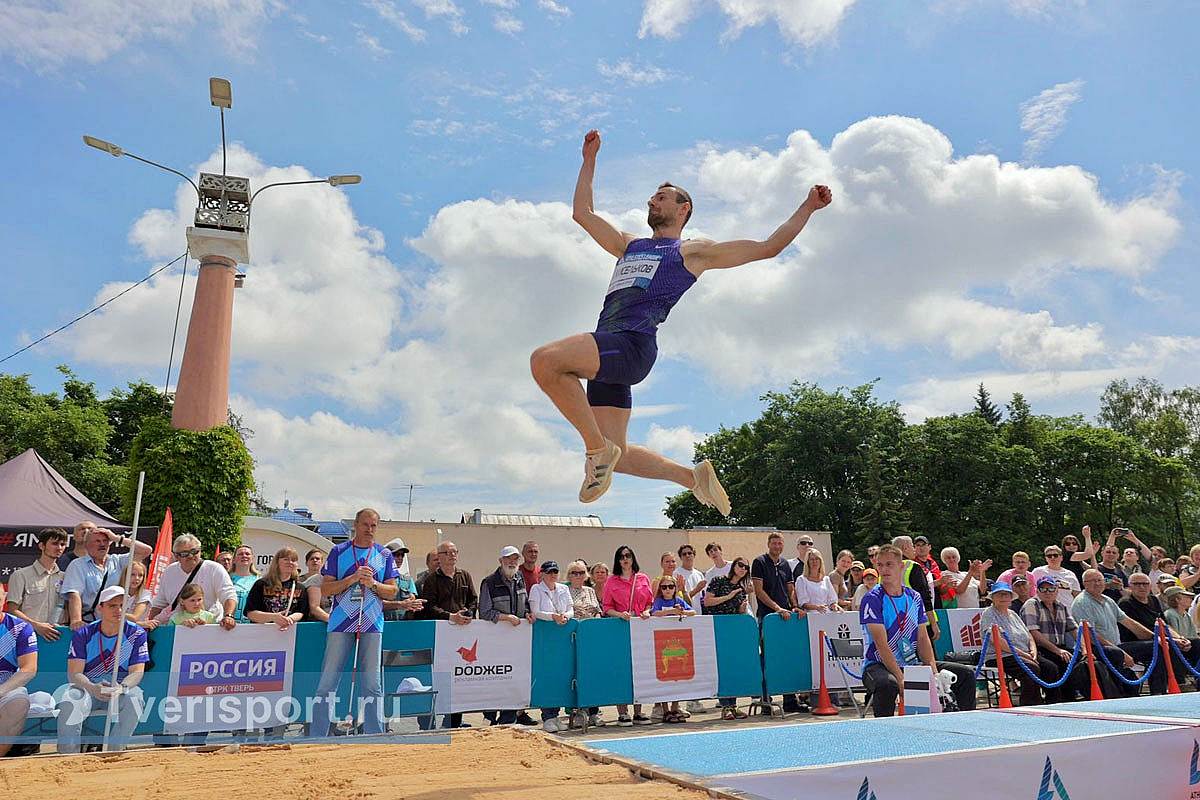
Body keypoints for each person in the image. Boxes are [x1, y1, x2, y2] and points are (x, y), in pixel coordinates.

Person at [530, 129, 832, 511]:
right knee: (619, 455)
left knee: (546, 361)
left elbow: (768, 247)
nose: (652, 202)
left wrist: (807, 207)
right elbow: (583, 214)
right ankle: (693, 478)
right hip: (610, 352)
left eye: (661, 198)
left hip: (631, 344)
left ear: (684, 208)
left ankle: (595, 450)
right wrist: (588, 160)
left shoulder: (692, 252)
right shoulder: (629, 245)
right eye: (652, 198)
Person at [311, 509, 403, 738]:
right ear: (356, 524)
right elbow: (326, 589)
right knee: (327, 682)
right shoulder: (338, 551)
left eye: (373, 526)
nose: (369, 530)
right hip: (341, 623)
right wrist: (352, 578)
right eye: (365, 525)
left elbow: (393, 591)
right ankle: (318, 734)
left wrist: (372, 584)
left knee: (372, 684)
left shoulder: (383, 554)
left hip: (372, 623)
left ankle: (374, 734)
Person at [858, 545, 975, 717]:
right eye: (880, 565)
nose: (884, 569)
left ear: (901, 566)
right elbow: (881, 645)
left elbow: (923, 639)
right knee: (887, 685)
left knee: (965, 674)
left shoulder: (914, 597)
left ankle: (966, 725)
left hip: (910, 663)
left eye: (889, 564)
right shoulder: (872, 599)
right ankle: (883, 733)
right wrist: (900, 678)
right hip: (878, 664)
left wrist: (934, 673)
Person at [58, 585, 148, 753]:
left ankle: (115, 751)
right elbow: (74, 674)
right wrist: (92, 687)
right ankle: (68, 757)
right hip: (88, 689)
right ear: (100, 608)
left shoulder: (137, 633)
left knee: (135, 698)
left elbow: (137, 672)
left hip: (118, 690)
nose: (119, 610)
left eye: (122, 605)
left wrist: (121, 688)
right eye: (112, 606)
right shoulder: (84, 633)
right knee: (70, 699)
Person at [1073, 569, 1172, 695]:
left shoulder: (1108, 601)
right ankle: (1117, 694)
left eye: (1099, 580)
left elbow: (1130, 623)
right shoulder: (1082, 602)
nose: (1097, 583)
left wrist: (1156, 637)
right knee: (1115, 653)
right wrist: (1122, 652)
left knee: (1158, 646)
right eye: (1093, 581)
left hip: (1116, 646)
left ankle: (1158, 692)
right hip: (1095, 648)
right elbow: (1090, 636)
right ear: (1084, 583)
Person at [478, 545, 536, 728]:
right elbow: (485, 612)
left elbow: (525, 603)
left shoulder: (519, 580)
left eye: (515, 559)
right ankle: (489, 716)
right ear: (500, 561)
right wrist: (506, 618)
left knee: (513, 678)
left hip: (516, 641)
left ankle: (508, 717)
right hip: (495, 640)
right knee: (494, 677)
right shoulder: (489, 582)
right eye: (508, 558)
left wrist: (527, 613)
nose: (512, 562)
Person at [752, 532, 807, 713]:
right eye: (774, 543)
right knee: (768, 659)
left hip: (786, 618)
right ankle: (766, 700)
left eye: (780, 543)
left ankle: (789, 700)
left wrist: (794, 606)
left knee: (787, 659)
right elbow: (759, 591)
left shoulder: (785, 564)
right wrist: (777, 608)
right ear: (769, 544)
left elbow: (790, 589)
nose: (777, 546)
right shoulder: (759, 562)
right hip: (767, 618)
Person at [981, 582, 1060, 705]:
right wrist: (1024, 655)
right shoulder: (989, 613)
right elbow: (997, 640)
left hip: (1024, 653)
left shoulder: (1013, 614)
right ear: (993, 597)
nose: (1003, 598)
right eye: (999, 595)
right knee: (1031, 669)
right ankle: (1031, 704)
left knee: (1051, 668)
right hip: (1002, 655)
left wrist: (1033, 651)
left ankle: (1053, 702)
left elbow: (1028, 635)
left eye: (1006, 595)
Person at [61, 526, 152, 630]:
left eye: (105, 540)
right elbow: (74, 594)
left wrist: (116, 538)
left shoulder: (117, 561)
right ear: (86, 545)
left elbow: (146, 551)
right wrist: (76, 620)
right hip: (89, 623)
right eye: (97, 541)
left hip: (114, 624)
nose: (102, 544)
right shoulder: (78, 565)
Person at [143, 534, 237, 631]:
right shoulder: (169, 571)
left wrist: (229, 616)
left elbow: (229, 595)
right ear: (176, 556)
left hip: (210, 629)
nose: (191, 556)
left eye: (194, 551)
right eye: (185, 554)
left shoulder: (214, 569)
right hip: (178, 631)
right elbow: (159, 603)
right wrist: (150, 627)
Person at [602, 545, 653, 726]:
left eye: (628, 555)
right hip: (620, 627)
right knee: (621, 668)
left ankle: (639, 710)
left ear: (633, 558)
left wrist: (647, 611)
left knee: (640, 668)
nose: (625, 559)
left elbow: (650, 602)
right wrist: (620, 615)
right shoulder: (611, 582)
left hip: (640, 627)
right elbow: (606, 607)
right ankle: (622, 712)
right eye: (621, 556)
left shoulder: (643, 578)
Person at [1020, 577, 1090, 701]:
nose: (1048, 592)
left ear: (1057, 590)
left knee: (1082, 662)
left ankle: (1076, 697)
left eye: (1051, 588)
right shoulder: (1031, 605)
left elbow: (1074, 630)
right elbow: (1033, 633)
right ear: (1037, 590)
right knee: (1051, 667)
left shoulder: (1061, 607)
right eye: (1043, 589)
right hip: (1039, 649)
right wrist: (1057, 651)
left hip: (1060, 647)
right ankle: (1054, 701)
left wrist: (1085, 650)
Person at [1118, 573, 1199, 672]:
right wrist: (1171, 640)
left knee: (1195, 643)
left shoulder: (1153, 600)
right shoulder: (1126, 603)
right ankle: (1174, 682)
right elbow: (1140, 633)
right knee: (1163, 646)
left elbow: (1164, 624)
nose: (1142, 587)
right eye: (1137, 584)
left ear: (1150, 586)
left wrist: (1180, 638)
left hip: (1161, 638)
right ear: (1130, 586)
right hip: (1138, 641)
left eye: (1145, 584)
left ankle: (1196, 677)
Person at [529, 561, 575, 731]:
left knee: (561, 674)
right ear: (542, 574)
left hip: (562, 635)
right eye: (549, 572)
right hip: (544, 636)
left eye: (555, 571)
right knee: (546, 674)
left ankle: (557, 714)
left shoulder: (563, 589)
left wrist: (565, 617)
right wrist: (553, 617)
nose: (552, 575)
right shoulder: (536, 589)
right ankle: (548, 716)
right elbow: (536, 612)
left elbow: (571, 609)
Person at [704, 557, 752, 719]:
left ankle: (733, 705)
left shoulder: (741, 588)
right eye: (740, 565)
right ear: (734, 566)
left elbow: (739, 611)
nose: (743, 568)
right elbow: (708, 602)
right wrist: (728, 596)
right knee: (722, 668)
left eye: (746, 567)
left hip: (734, 629)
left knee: (733, 667)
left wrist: (743, 606)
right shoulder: (718, 580)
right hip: (718, 627)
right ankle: (725, 706)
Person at [6, 527, 68, 640]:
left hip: (58, 635)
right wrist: (36, 626)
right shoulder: (20, 575)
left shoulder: (66, 577)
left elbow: (68, 608)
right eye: (54, 543)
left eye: (62, 544)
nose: (59, 548)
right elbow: (12, 610)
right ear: (41, 546)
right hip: (27, 635)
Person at [565, 560, 604, 728]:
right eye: (574, 572)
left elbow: (597, 611)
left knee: (592, 673)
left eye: (581, 572)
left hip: (590, 637)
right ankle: (577, 712)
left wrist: (594, 618)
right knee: (574, 674)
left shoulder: (590, 591)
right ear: (569, 576)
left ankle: (594, 712)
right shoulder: (564, 591)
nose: (578, 576)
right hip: (571, 638)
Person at [0, 584, 36, 757]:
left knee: (19, 701)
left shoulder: (20, 628)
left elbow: (29, 668)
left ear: (4, 600)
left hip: (6, 688)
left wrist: (1, 690)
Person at [245, 547, 311, 629]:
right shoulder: (261, 584)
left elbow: (301, 612)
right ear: (277, 562)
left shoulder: (300, 587)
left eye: (293, 560)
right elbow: (251, 614)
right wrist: (273, 617)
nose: (290, 562)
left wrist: (289, 619)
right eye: (286, 559)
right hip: (262, 633)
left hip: (289, 634)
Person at [892, 536, 939, 642]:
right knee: (926, 656)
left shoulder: (886, 570)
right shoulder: (912, 566)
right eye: (912, 546)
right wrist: (933, 623)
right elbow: (925, 596)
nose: (914, 550)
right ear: (905, 549)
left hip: (896, 623)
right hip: (918, 622)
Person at [1031, 545, 1081, 609]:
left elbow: (1077, 596)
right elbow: (1030, 590)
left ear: (1061, 557)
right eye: (1049, 556)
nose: (1052, 558)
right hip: (1044, 609)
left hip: (1067, 610)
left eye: (1055, 555)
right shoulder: (1038, 572)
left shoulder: (1070, 574)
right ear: (1046, 558)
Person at [382, 538, 419, 622]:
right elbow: (375, 604)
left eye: (402, 555)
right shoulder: (378, 581)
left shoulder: (408, 580)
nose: (400, 558)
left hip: (402, 625)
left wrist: (415, 604)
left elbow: (412, 600)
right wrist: (399, 605)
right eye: (396, 555)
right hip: (383, 624)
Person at [674, 544, 708, 619]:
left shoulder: (699, 574)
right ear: (680, 557)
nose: (687, 556)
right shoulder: (676, 574)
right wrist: (696, 590)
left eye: (690, 553)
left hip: (699, 614)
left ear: (694, 555)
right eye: (684, 554)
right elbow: (680, 598)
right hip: (684, 614)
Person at [229, 545, 260, 622]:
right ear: (234, 560)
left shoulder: (259, 580)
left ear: (252, 559)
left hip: (252, 626)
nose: (244, 556)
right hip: (228, 625)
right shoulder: (225, 578)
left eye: (247, 554)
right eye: (240, 554)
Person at [303, 549, 332, 623]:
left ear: (322, 562)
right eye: (312, 559)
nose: (315, 560)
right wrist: (333, 622)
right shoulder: (300, 580)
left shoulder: (330, 579)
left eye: (317, 559)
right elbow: (314, 608)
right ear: (306, 563)